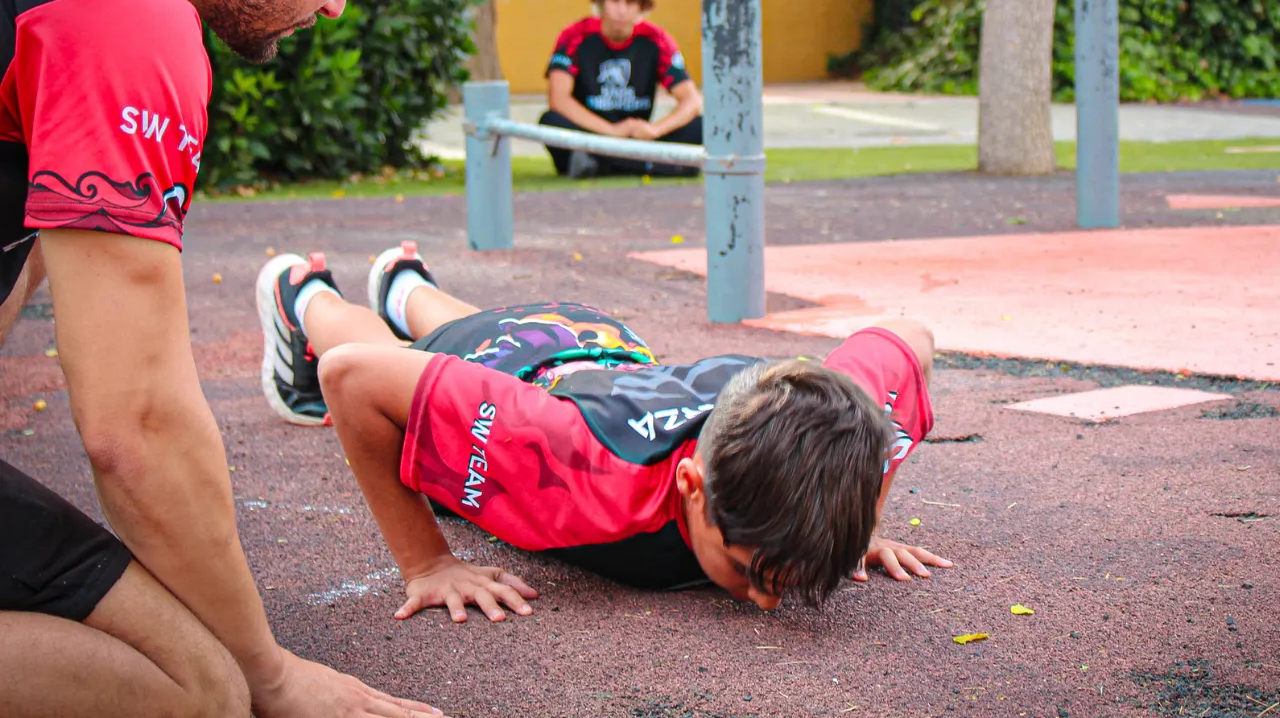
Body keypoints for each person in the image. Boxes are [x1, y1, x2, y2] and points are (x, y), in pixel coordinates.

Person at [0, 0, 444, 716]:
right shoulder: (120, 11)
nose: (337, 5)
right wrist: (274, 676)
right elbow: (137, 428)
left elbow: (40, 229)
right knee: (199, 688)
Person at [253, 241, 952, 623]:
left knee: (488, 334)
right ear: (691, 486)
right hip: (527, 382)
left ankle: (405, 282)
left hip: (595, 344)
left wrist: (855, 507)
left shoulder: (838, 403)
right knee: (399, 351)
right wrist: (427, 563)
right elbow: (351, 377)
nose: (768, 601)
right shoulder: (572, 457)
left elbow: (906, 337)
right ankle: (304, 294)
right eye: (746, 571)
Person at [540, 0, 703, 179]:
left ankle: (599, 165)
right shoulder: (575, 36)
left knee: (702, 126)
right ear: (602, 2)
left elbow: (691, 100)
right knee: (550, 122)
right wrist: (612, 132)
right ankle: (654, 165)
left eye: (631, 1)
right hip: (591, 135)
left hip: (638, 138)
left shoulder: (656, 39)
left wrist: (655, 130)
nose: (622, 10)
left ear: (641, 7)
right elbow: (558, 99)